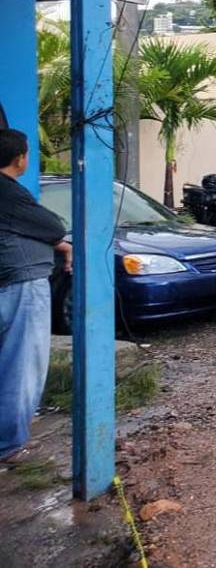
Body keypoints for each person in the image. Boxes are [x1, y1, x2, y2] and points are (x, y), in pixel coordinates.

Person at [0, 129, 72, 462]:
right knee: (22, 365)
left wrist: (58, 245)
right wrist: (60, 242)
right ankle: (10, 444)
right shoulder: (9, 192)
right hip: (21, 285)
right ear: (20, 159)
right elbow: (53, 226)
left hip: (12, 283)